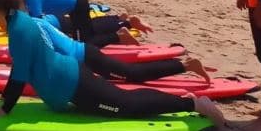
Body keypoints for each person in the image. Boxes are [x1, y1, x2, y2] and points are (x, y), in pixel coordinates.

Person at [0, 0, 225, 126]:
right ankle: (189, 99)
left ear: (0, 8)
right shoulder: (19, 21)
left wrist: (6, 107)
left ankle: (192, 103)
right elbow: (21, 68)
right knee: (124, 95)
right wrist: (4, 99)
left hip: (72, 83)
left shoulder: (19, 30)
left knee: (126, 105)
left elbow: (20, 73)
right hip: (71, 78)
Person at [28, 11, 210, 83]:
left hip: (87, 57)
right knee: (90, 30)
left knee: (133, 74)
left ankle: (185, 65)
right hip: (83, 51)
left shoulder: (29, 28)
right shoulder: (32, 22)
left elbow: (47, 57)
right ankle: (122, 23)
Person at [11, 0, 151, 47]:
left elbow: (38, 26)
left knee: (84, 44)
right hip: (76, 4)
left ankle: (119, 37)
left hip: (77, 6)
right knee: (89, 29)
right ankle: (125, 22)